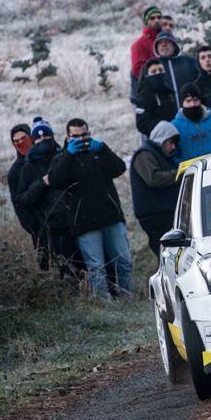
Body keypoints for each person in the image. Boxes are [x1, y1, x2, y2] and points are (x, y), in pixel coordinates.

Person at [48, 118, 132, 299]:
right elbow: (56, 181)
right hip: (84, 223)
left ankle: (128, 299)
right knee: (96, 268)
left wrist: (104, 150)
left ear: (89, 133)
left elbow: (120, 168)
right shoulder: (61, 158)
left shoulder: (99, 152)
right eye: (75, 136)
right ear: (68, 137)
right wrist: (68, 156)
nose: (81, 139)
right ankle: (104, 306)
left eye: (84, 135)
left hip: (111, 216)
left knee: (124, 262)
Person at [17, 117, 81, 277]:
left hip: (79, 222)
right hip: (54, 229)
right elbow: (23, 200)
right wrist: (41, 183)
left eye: (46, 136)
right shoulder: (28, 168)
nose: (42, 140)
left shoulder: (64, 157)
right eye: (37, 138)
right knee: (69, 273)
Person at [130, 121, 181, 258]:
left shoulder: (157, 154)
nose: (173, 147)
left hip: (161, 213)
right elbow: (154, 179)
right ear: (162, 139)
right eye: (170, 142)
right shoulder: (145, 155)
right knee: (166, 254)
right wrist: (179, 174)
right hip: (154, 216)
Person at [172, 83, 211, 160]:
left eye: (195, 100)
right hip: (191, 169)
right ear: (182, 103)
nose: (193, 104)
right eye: (188, 101)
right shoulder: (174, 127)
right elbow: (174, 154)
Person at [8, 123, 41, 260]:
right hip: (39, 231)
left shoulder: (46, 158)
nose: (21, 143)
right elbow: (19, 206)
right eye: (16, 141)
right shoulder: (15, 172)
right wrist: (35, 229)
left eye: (24, 138)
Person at [154, 30, 199, 108]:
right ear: (157, 48)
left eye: (167, 42)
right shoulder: (153, 66)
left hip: (190, 110)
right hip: (166, 114)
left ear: (174, 46)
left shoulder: (188, 61)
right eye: (160, 43)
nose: (164, 45)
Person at [135, 58, 178, 137]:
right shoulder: (144, 96)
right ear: (147, 75)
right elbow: (142, 124)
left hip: (175, 136)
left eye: (161, 70)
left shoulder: (169, 92)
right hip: (157, 139)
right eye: (154, 71)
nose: (158, 73)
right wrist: (164, 128)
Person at [129, 6, 162, 105]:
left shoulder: (165, 41)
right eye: (152, 18)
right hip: (146, 95)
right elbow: (137, 70)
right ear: (146, 22)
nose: (156, 20)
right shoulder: (139, 44)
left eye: (159, 17)